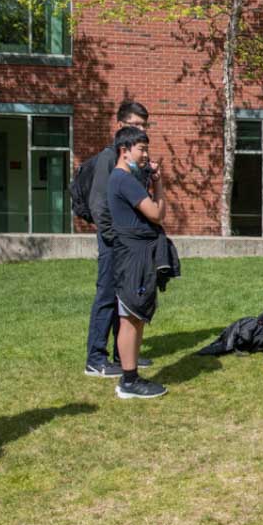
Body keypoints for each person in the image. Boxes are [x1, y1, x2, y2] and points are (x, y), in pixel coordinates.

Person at [83, 101, 150, 377]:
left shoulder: (133, 162)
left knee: (124, 298)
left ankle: (122, 355)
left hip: (127, 242)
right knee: (107, 295)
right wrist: (113, 238)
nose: (141, 129)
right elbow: (98, 204)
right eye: (135, 124)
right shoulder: (109, 159)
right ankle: (95, 358)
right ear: (120, 125)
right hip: (114, 241)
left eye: (144, 125)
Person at [107, 125, 170, 399]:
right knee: (130, 317)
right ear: (124, 150)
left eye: (147, 148)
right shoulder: (123, 180)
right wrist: (159, 183)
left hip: (135, 254)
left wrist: (151, 177)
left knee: (136, 316)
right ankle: (128, 381)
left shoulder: (125, 178)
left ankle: (130, 377)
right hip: (133, 256)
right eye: (141, 149)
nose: (146, 154)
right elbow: (156, 213)